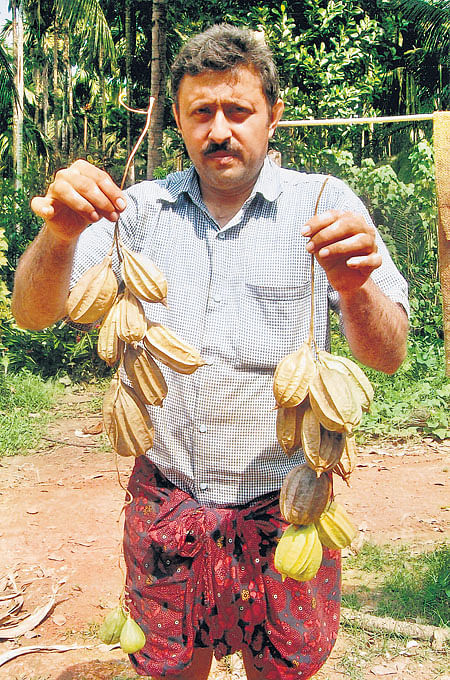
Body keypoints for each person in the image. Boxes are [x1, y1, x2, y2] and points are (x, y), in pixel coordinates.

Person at [12, 24, 409, 680]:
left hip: (284, 507)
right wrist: (59, 232)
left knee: (281, 670)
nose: (219, 129)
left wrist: (354, 284)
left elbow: (387, 354)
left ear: (273, 116)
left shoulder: (324, 205)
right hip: (168, 500)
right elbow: (32, 312)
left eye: (238, 110)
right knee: (171, 670)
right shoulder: (136, 212)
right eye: (202, 112)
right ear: (178, 120)